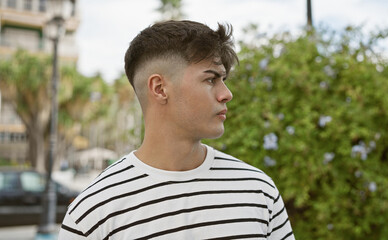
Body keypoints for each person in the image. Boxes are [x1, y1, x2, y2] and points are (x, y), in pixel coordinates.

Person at [58, 20, 295, 240]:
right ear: (160, 88)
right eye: (211, 79)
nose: (226, 94)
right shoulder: (93, 212)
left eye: (223, 80)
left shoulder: (258, 191)